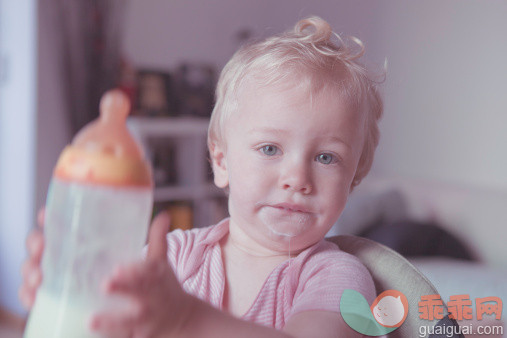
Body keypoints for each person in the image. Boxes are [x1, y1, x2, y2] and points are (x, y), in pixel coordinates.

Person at [20, 16, 383, 337]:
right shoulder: (175, 259)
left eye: (326, 157)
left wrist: (185, 321)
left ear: (354, 177)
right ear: (221, 161)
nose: (297, 178)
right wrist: (74, 290)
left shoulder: (339, 278)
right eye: (270, 149)